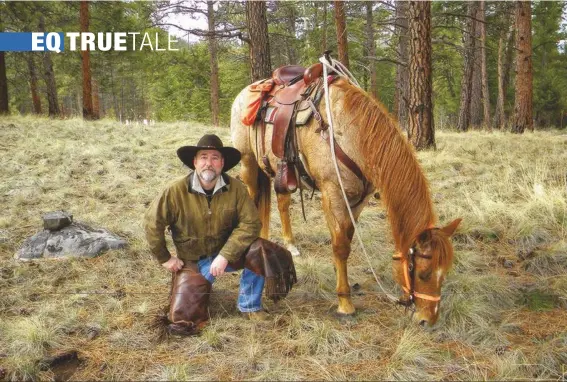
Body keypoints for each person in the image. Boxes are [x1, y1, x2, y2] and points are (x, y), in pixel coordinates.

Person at [144, 134, 274, 325]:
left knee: (261, 250)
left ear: (222, 163)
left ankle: (249, 305)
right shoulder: (174, 191)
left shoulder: (237, 189)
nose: (209, 163)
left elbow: (252, 224)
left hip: (228, 254)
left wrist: (225, 255)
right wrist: (165, 258)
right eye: (203, 157)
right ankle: (197, 286)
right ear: (195, 162)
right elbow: (152, 224)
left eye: (214, 158)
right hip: (193, 261)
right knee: (183, 320)